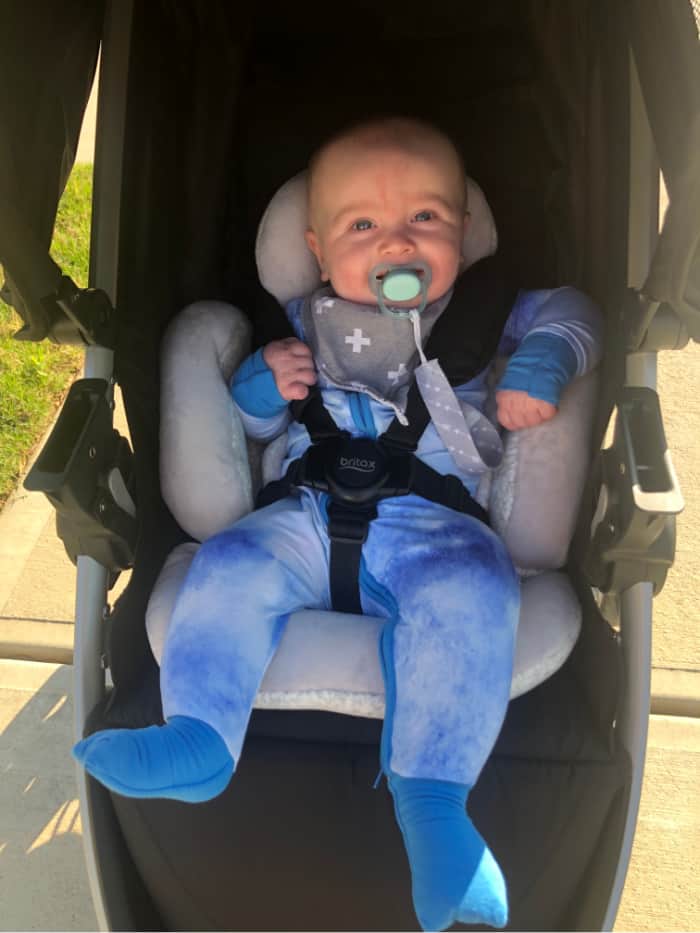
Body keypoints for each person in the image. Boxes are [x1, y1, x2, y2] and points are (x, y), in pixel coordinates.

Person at [73, 117, 602, 931]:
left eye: (426, 218)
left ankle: (434, 808)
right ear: (319, 251)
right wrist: (257, 390)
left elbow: (576, 314)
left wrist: (543, 359)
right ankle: (199, 739)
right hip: (302, 516)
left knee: (474, 590)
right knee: (226, 566)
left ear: (464, 230)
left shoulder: (489, 315)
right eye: (364, 226)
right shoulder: (300, 321)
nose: (397, 243)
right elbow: (251, 439)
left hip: (435, 528)